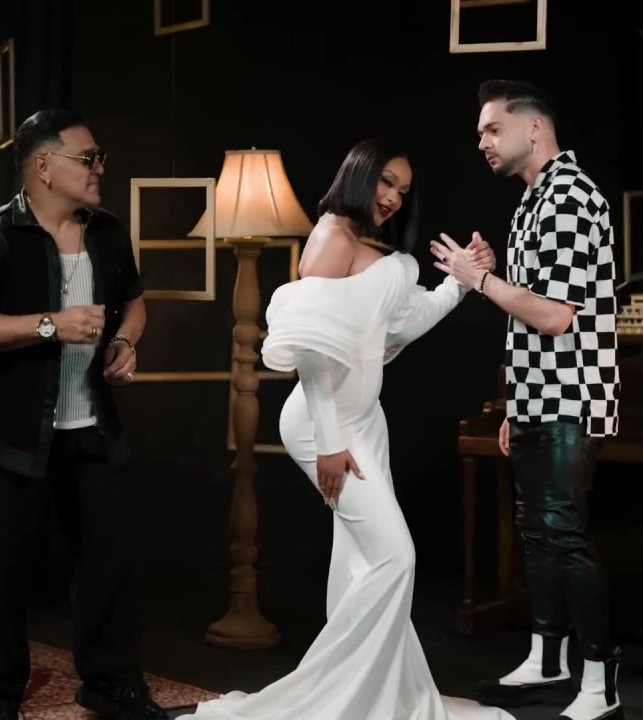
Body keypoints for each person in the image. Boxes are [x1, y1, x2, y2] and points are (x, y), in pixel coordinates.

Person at [181, 138, 511, 720]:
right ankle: (329, 691)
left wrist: (464, 280)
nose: (393, 197)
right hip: (323, 425)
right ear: (359, 174)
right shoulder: (332, 236)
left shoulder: (361, 245)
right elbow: (312, 354)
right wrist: (330, 445)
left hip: (364, 421)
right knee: (395, 558)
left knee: (361, 563)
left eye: (402, 190)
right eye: (386, 181)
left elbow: (403, 327)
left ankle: (371, 696)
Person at [0, 109, 166, 720]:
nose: (99, 169)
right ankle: (0, 697)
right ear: (43, 166)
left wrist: (124, 343)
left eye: (100, 158)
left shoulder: (108, 231)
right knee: (2, 574)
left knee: (110, 564)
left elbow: (134, 303)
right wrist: (52, 325)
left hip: (93, 427)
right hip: (10, 433)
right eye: (87, 159)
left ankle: (111, 685)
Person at [430, 80, 623, 720]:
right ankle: (547, 659)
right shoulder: (533, 201)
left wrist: (480, 278)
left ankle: (601, 683)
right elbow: (530, 308)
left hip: (572, 395)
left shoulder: (569, 196)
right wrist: (516, 402)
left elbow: (556, 317)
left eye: (492, 129)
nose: (482, 142)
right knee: (537, 532)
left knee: (564, 533)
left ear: (533, 127)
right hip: (539, 396)